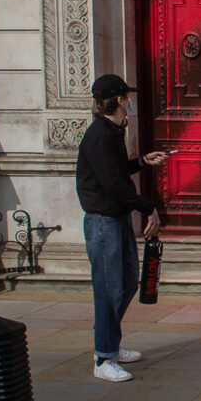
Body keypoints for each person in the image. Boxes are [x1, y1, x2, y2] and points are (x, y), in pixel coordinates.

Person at [76, 74, 167, 382]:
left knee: (128, 281)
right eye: (127, 96)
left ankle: (108, 341)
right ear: (118, 100)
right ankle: (103, 358)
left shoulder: (112, 132)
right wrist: (147, 206)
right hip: (103, 223)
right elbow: (113, 183)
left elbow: (116, 170)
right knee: (107, 289)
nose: (130, 101)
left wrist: (141, 161)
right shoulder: (100, 135)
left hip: (116, 220)